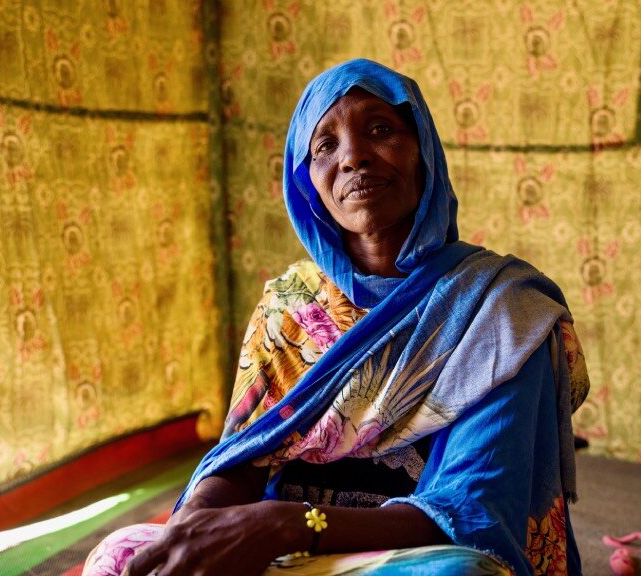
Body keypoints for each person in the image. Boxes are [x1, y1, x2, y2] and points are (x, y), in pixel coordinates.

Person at [83, 58, 590, 576]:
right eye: (326, 145)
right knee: (120, 554)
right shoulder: (290, 307)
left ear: (424, 153)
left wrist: (284, 525)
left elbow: (472, 513)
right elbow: (244, 458)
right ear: (309, 184)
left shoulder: (502, 308)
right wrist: (193, 526)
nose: (353, 157)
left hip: (415, 553)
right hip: (288, 552)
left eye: (380, 129)